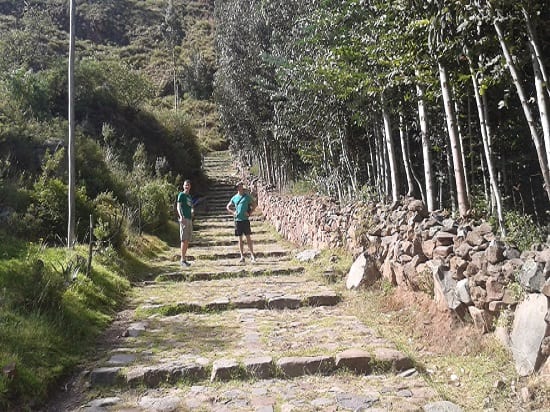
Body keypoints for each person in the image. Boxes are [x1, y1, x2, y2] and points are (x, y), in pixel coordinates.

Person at [226, 181, 256, 262]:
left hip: (245, 220)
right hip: (238, 220)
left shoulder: (247, 197)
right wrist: (233, 212)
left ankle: (252, 255)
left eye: (241, 186)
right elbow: (228, 206)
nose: (240, 187)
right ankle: (242, 256)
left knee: (248, 238)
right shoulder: (234, 197)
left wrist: (249, 213)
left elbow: (254, 204)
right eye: (238, 186)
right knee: (240, 239)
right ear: (237, 188)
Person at [177, 179, 194, 267]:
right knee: (184, 239)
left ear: (190, 186)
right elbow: (178, 206)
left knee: (187, 239)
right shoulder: (181, 195)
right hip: (184, 219)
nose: (187, 186)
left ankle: (184, 258)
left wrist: (192, 210)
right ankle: (182, 259)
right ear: (183, 186)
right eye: (185, 185)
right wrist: (181, 216)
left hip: (189, 219)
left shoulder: (189, 197)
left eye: (188, 185)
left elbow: (191, 206)